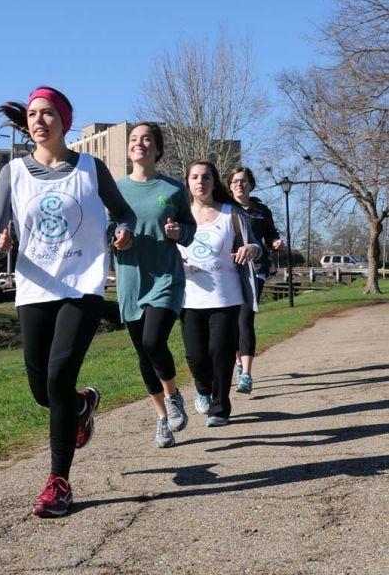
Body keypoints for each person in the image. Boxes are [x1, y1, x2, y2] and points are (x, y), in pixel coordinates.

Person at [0, 86, 135, 517]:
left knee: (57, 377)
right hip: (33, 288)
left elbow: (123, 213)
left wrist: (122, 232)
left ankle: (58, 482)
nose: (39, 120)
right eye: (33, 114)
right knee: (41, 389)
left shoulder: (91, 168)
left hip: (81, 285)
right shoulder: (12, 173)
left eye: (48, 113)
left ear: (64, 121)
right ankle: (82, 405)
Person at [109, 123, 197, 448]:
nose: (139, 143)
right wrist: (116, 237)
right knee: (143, 355)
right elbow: (106, 228)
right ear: (129, 148)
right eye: (134, 139)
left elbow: (190, 228)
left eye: (146, 139)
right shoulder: (116, 190)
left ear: (157, 148)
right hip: (131, 279)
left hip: (165, 278)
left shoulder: (173, 189)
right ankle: (162, 418)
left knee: (152, 340)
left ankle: (173, 396)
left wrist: (179, 233)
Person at [179, 161, 261, 426]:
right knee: (195, 356)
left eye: (206, 177)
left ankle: (219, 409)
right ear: (188, 182)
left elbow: (255, 246)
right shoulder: (180, 216)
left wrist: (251, 249)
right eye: (195, 177)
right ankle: (203, 388)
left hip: (226, 296)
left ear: (214, 182)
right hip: (190, 298)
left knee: (221, 353)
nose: (200, 182)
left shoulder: (232, 213)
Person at [227, 166, 282, 394]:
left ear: (250, 184)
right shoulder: (224, 209)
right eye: (235, 181)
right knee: (230, 324)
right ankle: (239, 363)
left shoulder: (261, 210)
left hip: (255, 269)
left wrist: (275, 242)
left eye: (243, 181)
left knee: (245, 319)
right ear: (229, 186)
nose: (239, 184)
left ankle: (247, 375)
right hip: (228, 270)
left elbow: (270, 234)